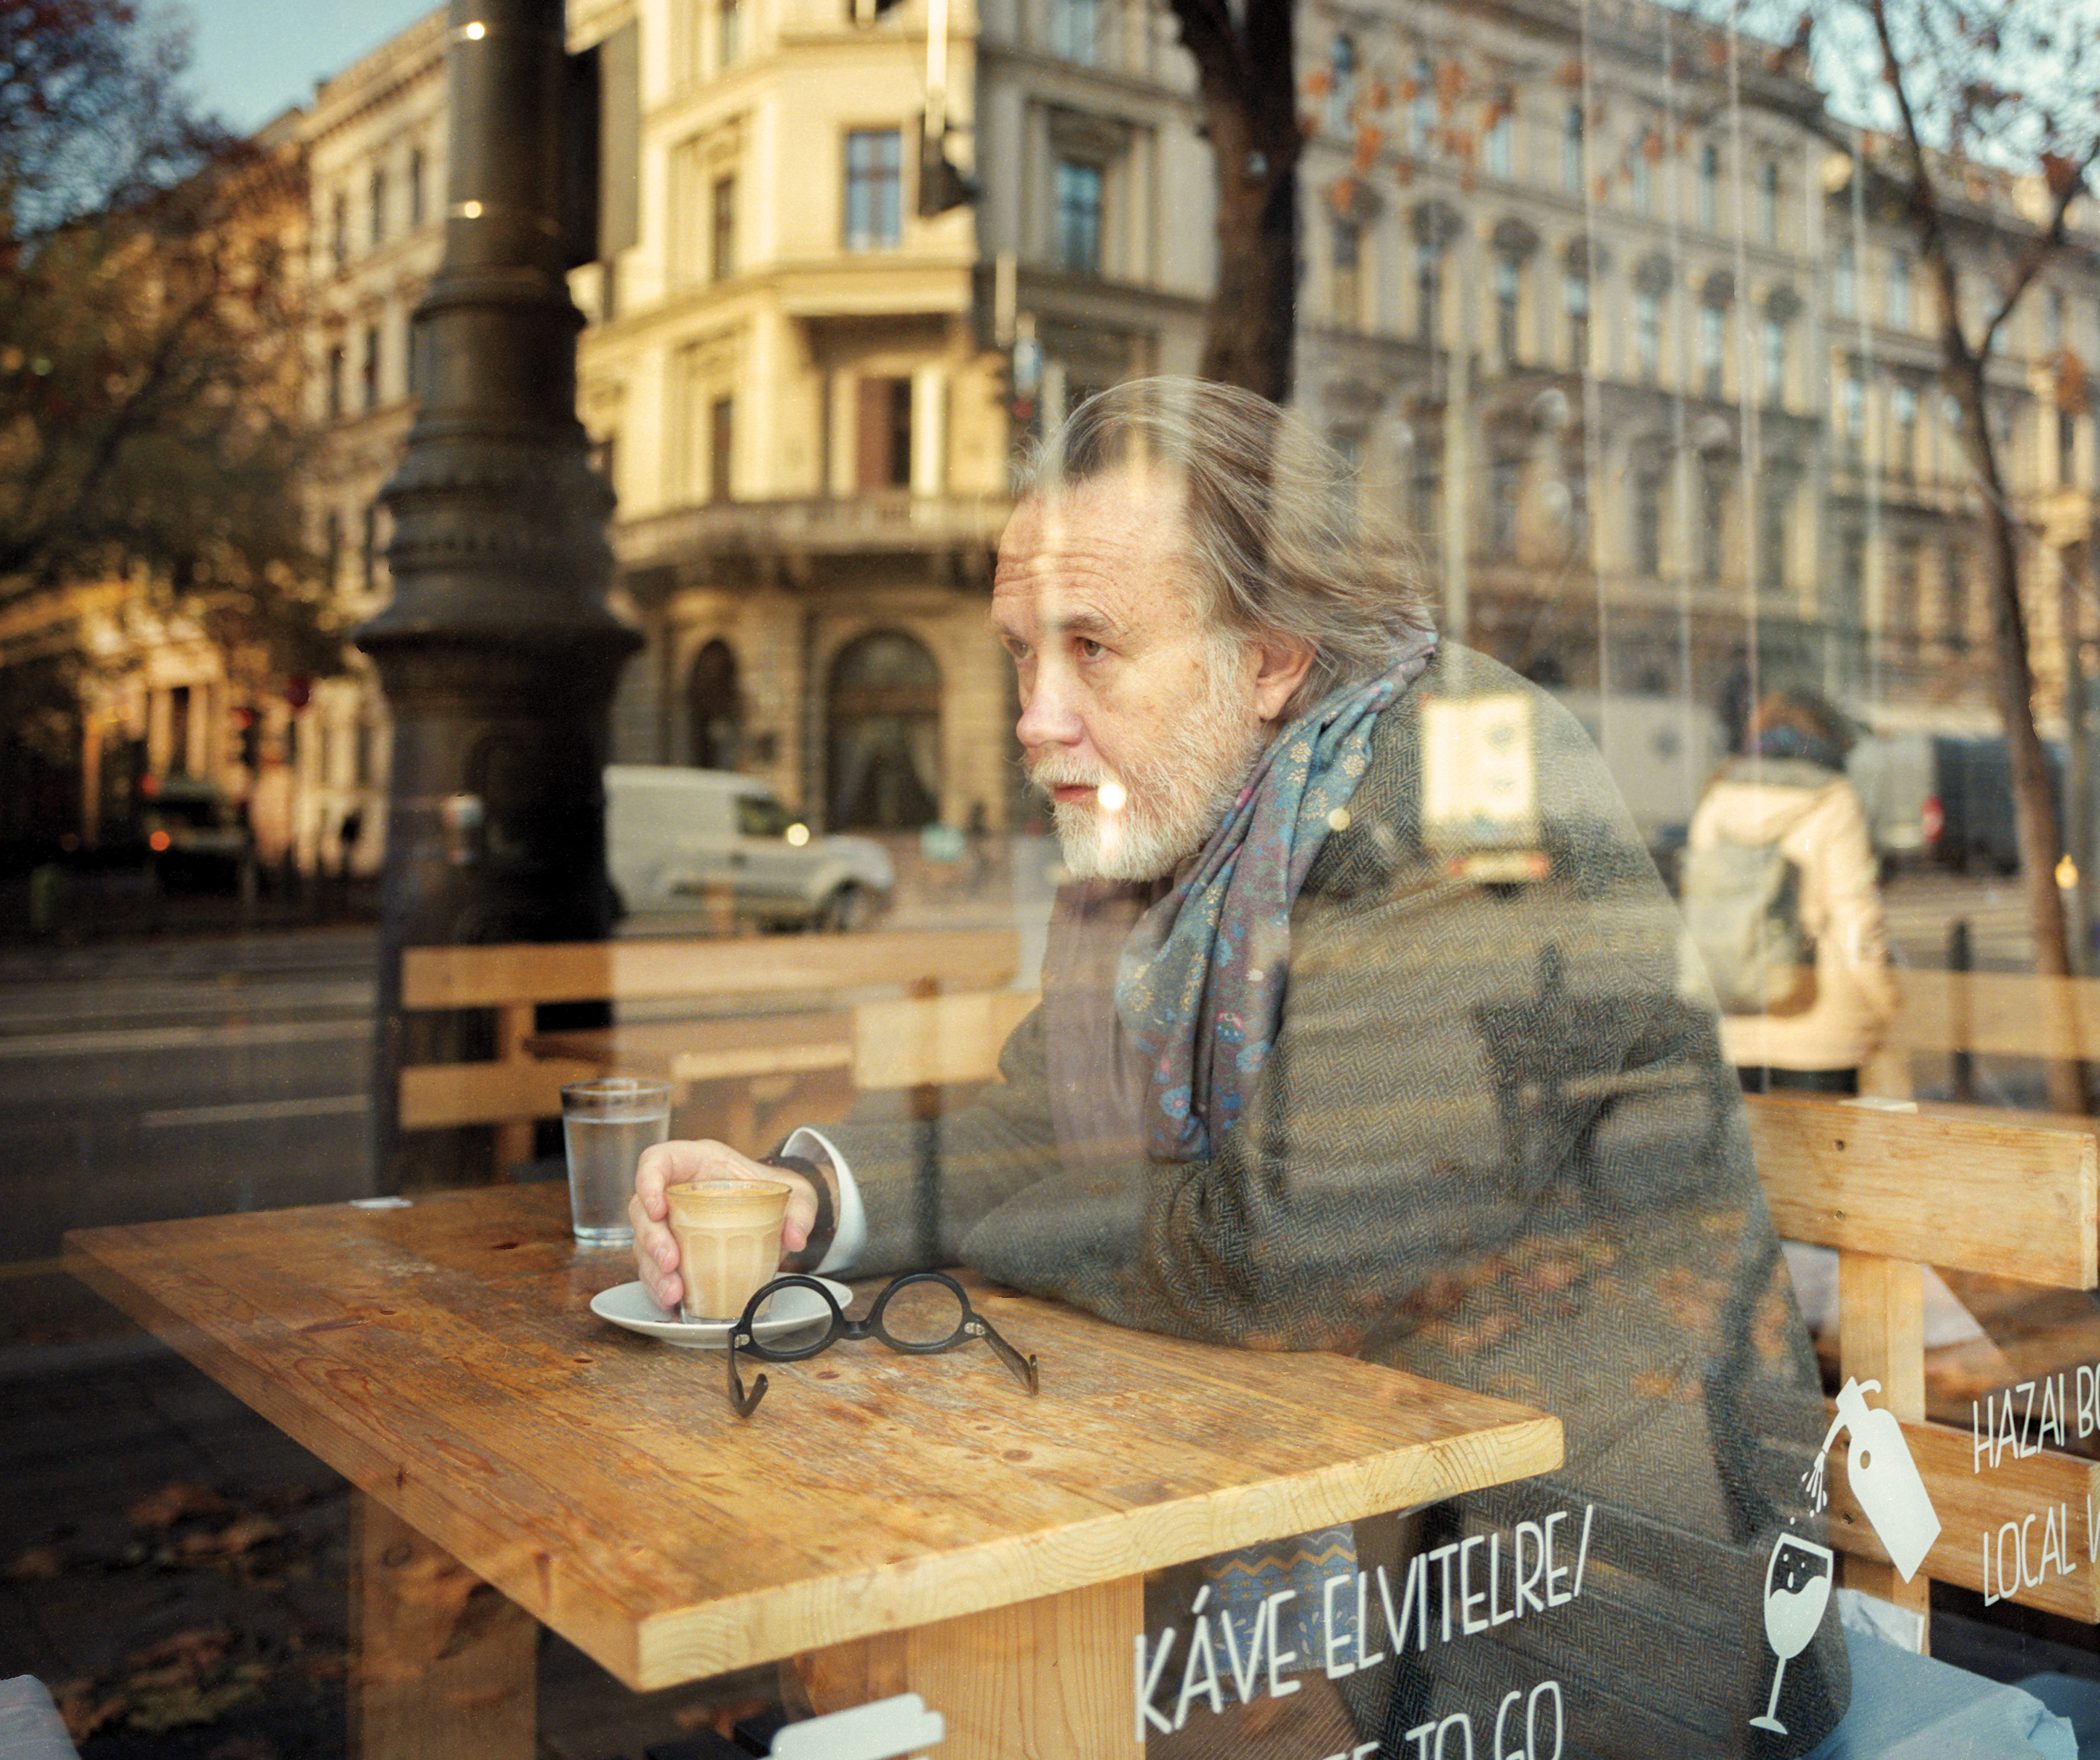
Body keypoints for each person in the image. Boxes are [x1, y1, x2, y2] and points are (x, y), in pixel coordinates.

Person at [632, 379, 1846, 1758]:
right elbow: (1042, 1120)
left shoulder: (1468, 783)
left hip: (1588, 1613)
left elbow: (1279, 1256)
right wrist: (809, 1199)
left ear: (1268, 660)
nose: (1037, 716)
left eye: (1094, 648)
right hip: (1329, 1557)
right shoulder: (1166, 835)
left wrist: (1019, 1227)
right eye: (1022, 653)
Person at [1684, 690, 1899, 1096]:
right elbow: (1856, 919)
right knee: (1824, 1158)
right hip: (1820, 1028)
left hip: (1738, 1025)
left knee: (1759, 1158)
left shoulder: (1716, 799)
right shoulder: (1834, 799)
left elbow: (1703, 910)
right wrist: (1886, 1002)